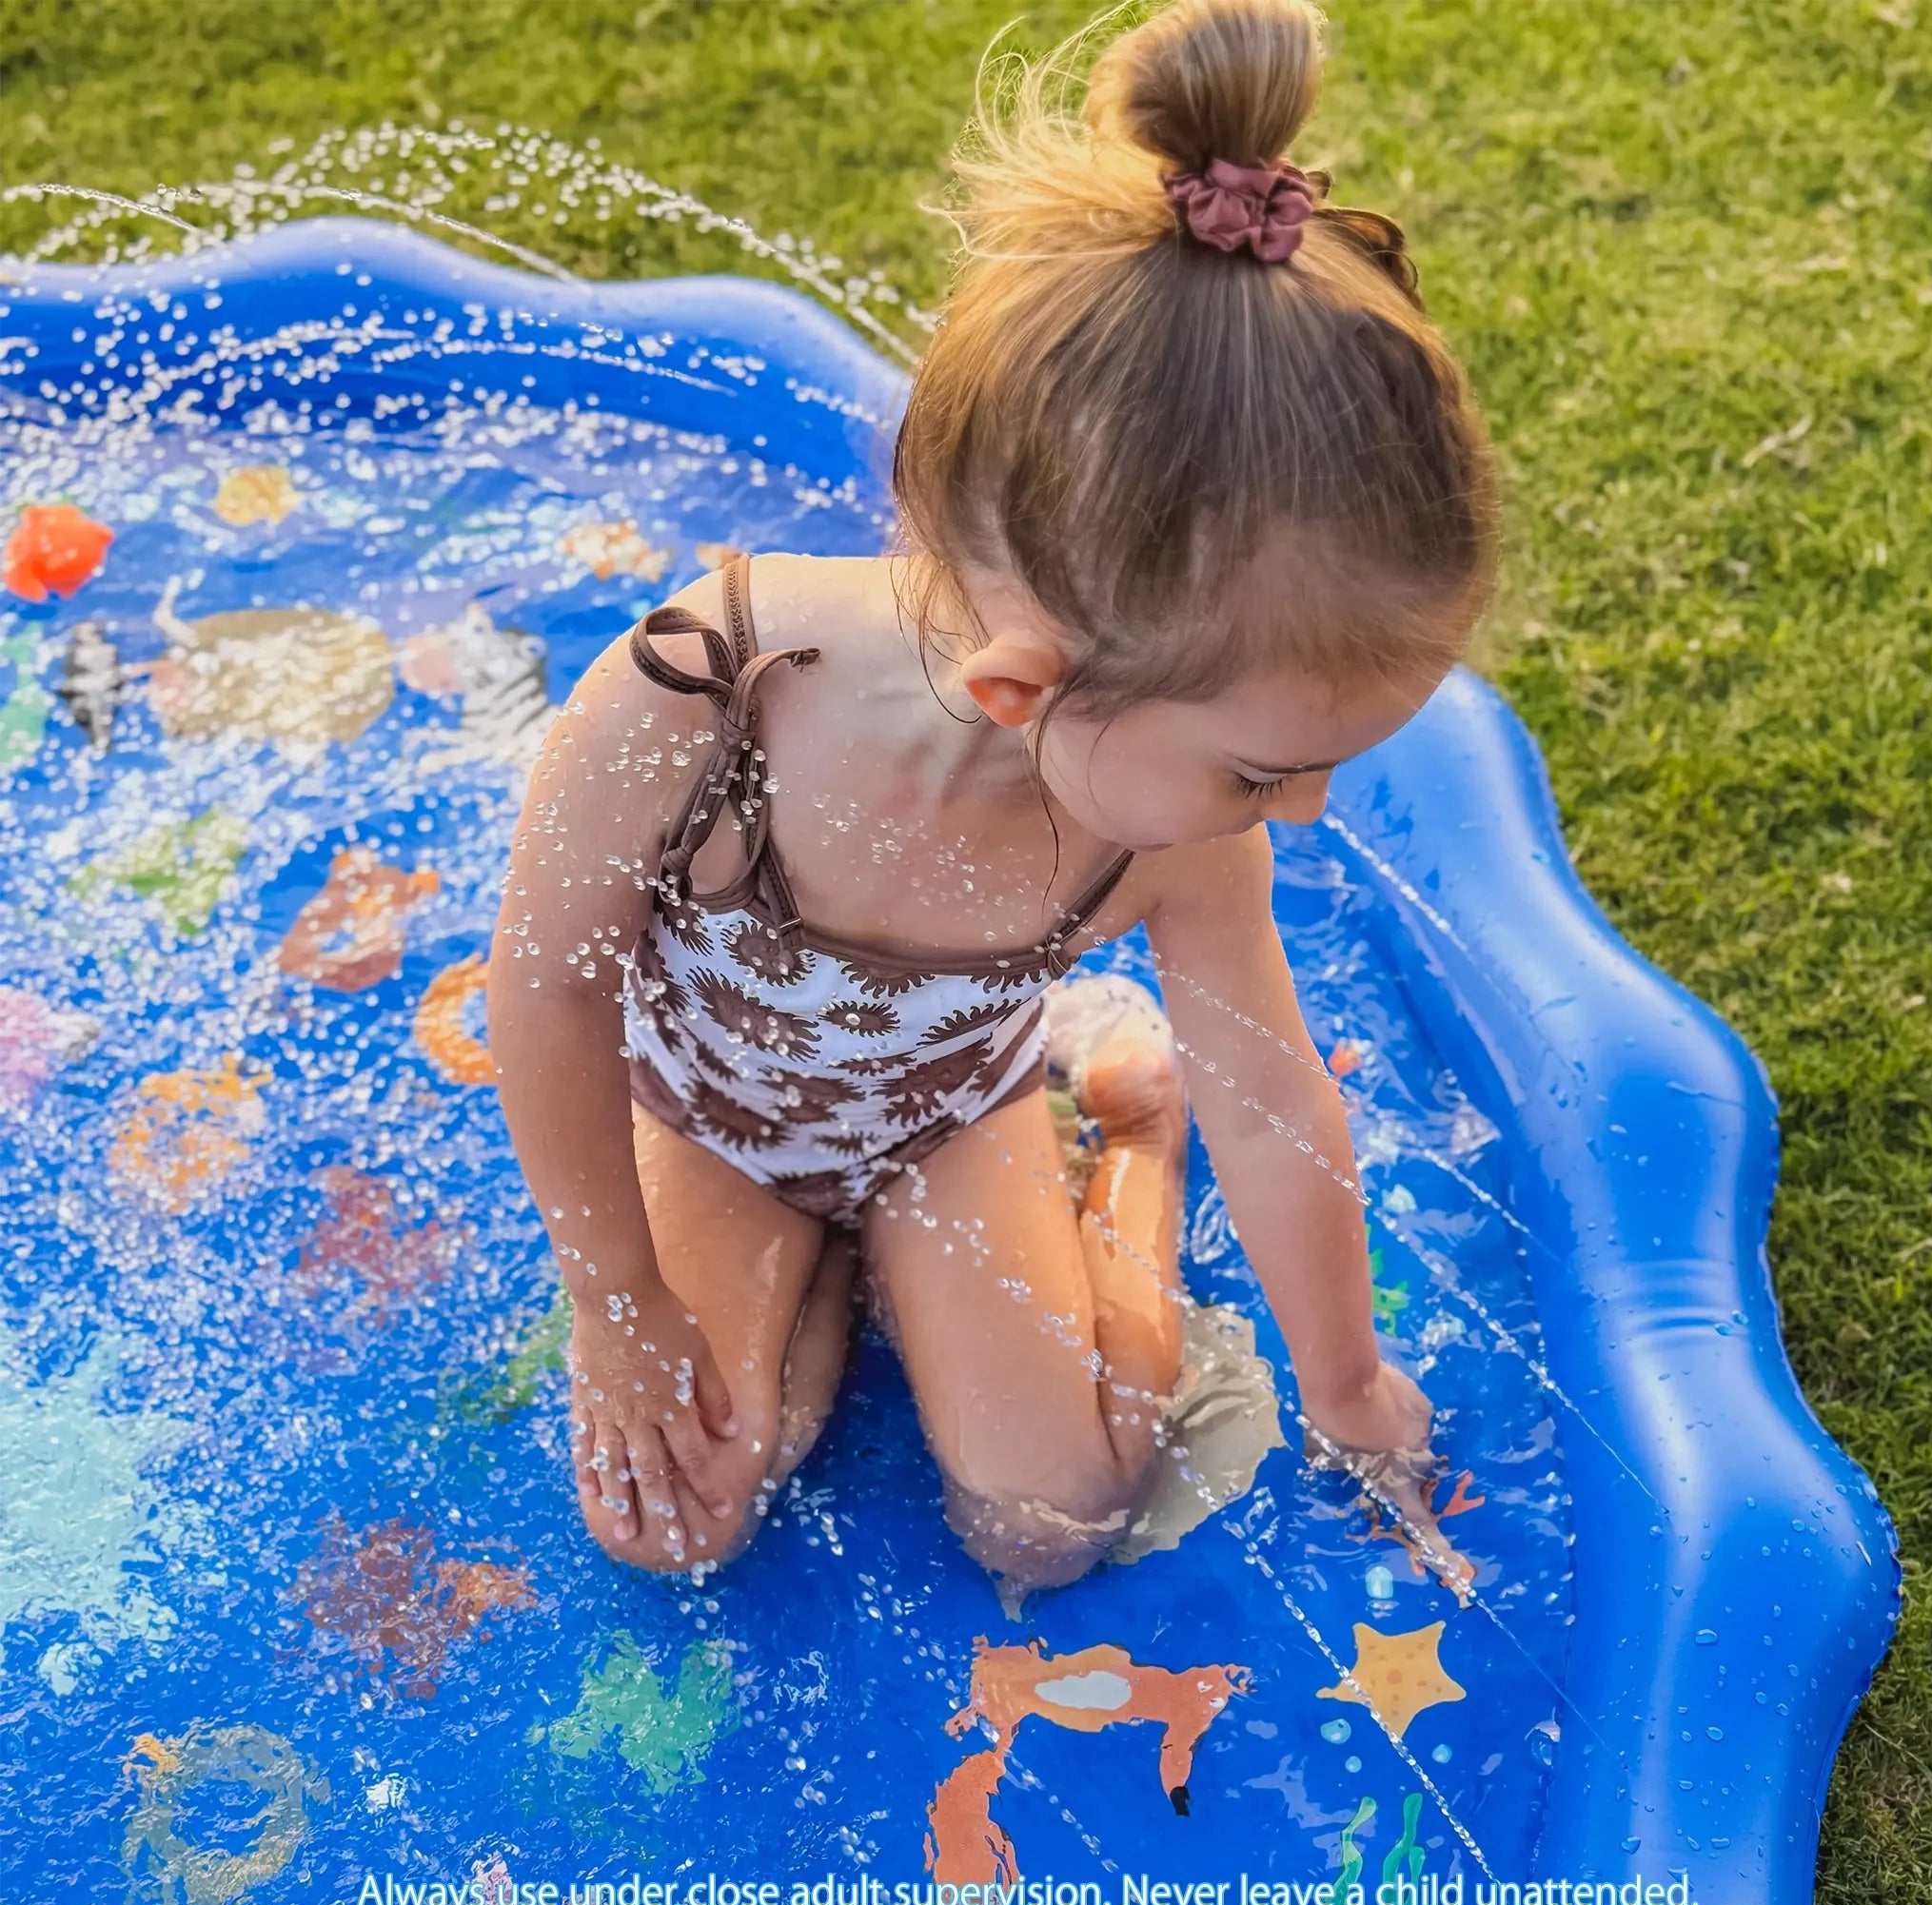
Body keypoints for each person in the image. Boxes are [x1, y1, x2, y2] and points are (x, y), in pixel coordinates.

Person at [485, 0, 1496, 1598]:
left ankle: (1119, 1143)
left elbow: (1275, 1093)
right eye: (1261, 766)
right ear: (1028, 690)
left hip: (950, 1122)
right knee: (674, 1521)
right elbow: (539, 991)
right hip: (715, 1124)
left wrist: (1349, 1381)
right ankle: (812, 1272)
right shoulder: (701, 692)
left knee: (1060, 1517)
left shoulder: (1167, 824)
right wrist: (621, 1294)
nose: (1298, 814)